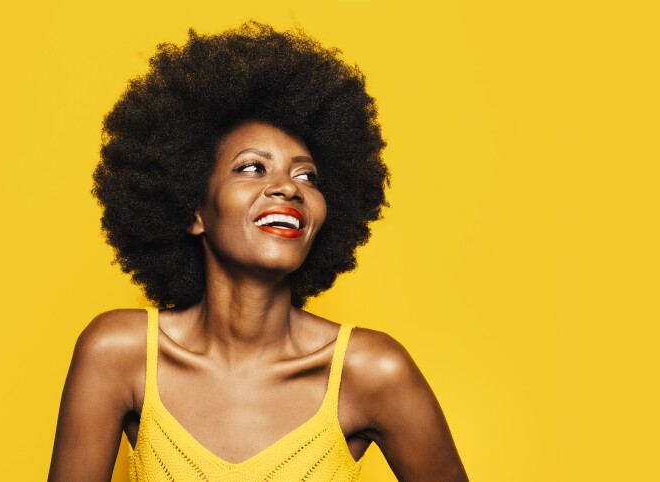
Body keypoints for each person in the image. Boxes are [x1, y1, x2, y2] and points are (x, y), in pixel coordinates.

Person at [49, 22, 468, 482]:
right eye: (252, 167)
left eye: (307, 176)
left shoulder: (372, 371)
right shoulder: (118, 354)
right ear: (194, 211)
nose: (288, 186)